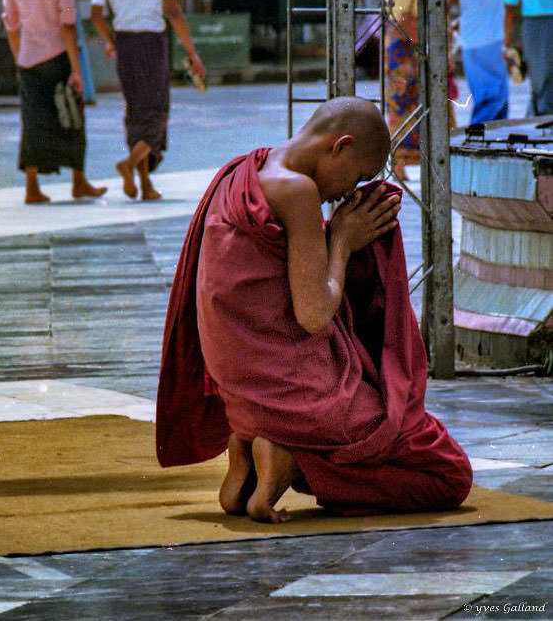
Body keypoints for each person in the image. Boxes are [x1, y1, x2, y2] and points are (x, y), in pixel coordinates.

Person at [156, 96, 472, 523]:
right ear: (340, 146)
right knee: (447, 472)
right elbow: (314, 313)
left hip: (241, 394)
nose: (348, 192)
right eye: (358, 176)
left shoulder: (244, 169)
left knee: (408, 445)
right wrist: (342, 240)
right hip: (292, 395)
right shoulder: (296, 189)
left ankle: (251, 449)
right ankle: (290, 459)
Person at [90, 0, 206, 201]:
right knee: (157, 110)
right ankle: (130, 165)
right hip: (153, 42)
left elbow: (96, 15)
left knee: (135, 111)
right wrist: (192, 52)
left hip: (125, 42)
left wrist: (110, 41)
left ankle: (145, 183)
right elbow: (174, 12)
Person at [1, 0, 106, 204]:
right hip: (59, 55)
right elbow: (68, 22)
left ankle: (32, 186)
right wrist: (76, 69)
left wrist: (18, 58)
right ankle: (78, 181)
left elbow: (11, 23)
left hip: (28, 57)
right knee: (72, 117)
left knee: (33, 120)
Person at [446, 0, 510, 124]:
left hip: (469, 41)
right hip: (492, 39)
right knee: (497, 96)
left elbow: (446, 5)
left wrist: (451, 28)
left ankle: (487, 133)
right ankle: (477, 132)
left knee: (483, 94)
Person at [383, 0, 420, 181]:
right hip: (417, 44)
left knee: (396, 103)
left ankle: (398, 164)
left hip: (394, 45)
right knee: (422, 102)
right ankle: (423, 158)